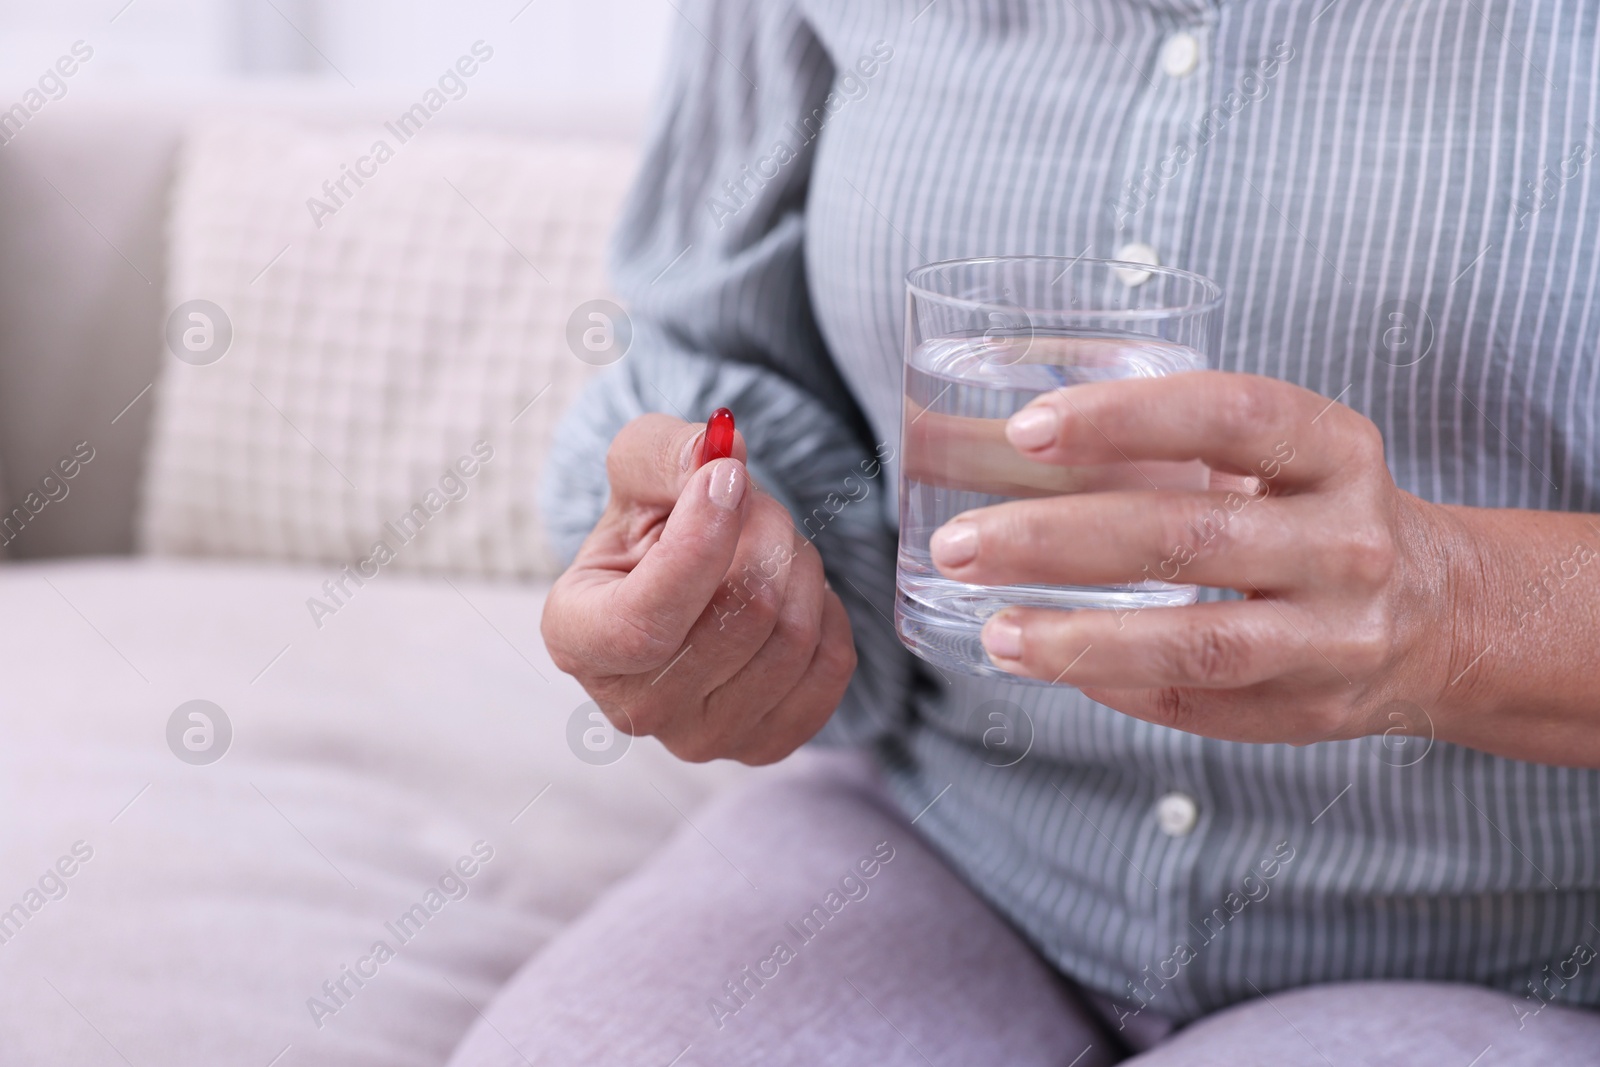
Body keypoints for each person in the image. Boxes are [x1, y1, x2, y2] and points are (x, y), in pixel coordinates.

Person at [452, 2, 1600, 1063]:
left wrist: (1454, 606)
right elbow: (732, 355)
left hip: (1508, 947)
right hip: (962, 842)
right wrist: (739, 574)